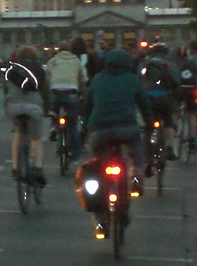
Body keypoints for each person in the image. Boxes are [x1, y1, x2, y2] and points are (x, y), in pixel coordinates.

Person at [81, 47, 151, 208]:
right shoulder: (132, 79)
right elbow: (144, 105)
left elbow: (87, 106)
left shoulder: (97, 79)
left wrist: (85, 127)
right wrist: (149, 124)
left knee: (97, 165)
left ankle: (100, 220)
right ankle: (136, 174)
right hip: (127, 127)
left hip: (100, 129)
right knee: (136, 147)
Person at [4, 45, 51, 184]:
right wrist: (48, 110)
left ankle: (15, 168)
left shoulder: (11, 70)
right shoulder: (39, 70)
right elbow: (46, 93)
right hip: (34, 108)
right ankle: (37, 168)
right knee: (36, 139)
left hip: (13, 108)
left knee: (18, 134)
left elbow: (5, 90)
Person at [138, 43, 180, 166]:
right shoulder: (170, 65)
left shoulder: (144, 65)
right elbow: (176, 83)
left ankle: (148, 156)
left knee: (148, 127)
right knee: (168, 122)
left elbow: (139, 82)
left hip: (148, 99)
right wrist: (175, 101)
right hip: (165, 98)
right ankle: (169, 148)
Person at [46, 37, 88, 155]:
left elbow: (47, 75)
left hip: (55, 91)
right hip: (71, 92)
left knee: (54, 110)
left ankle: (54, 126)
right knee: (73, 124)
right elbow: (82, 79)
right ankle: (75, 155)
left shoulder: (53, 61)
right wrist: (83, 93)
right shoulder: (75, 60)